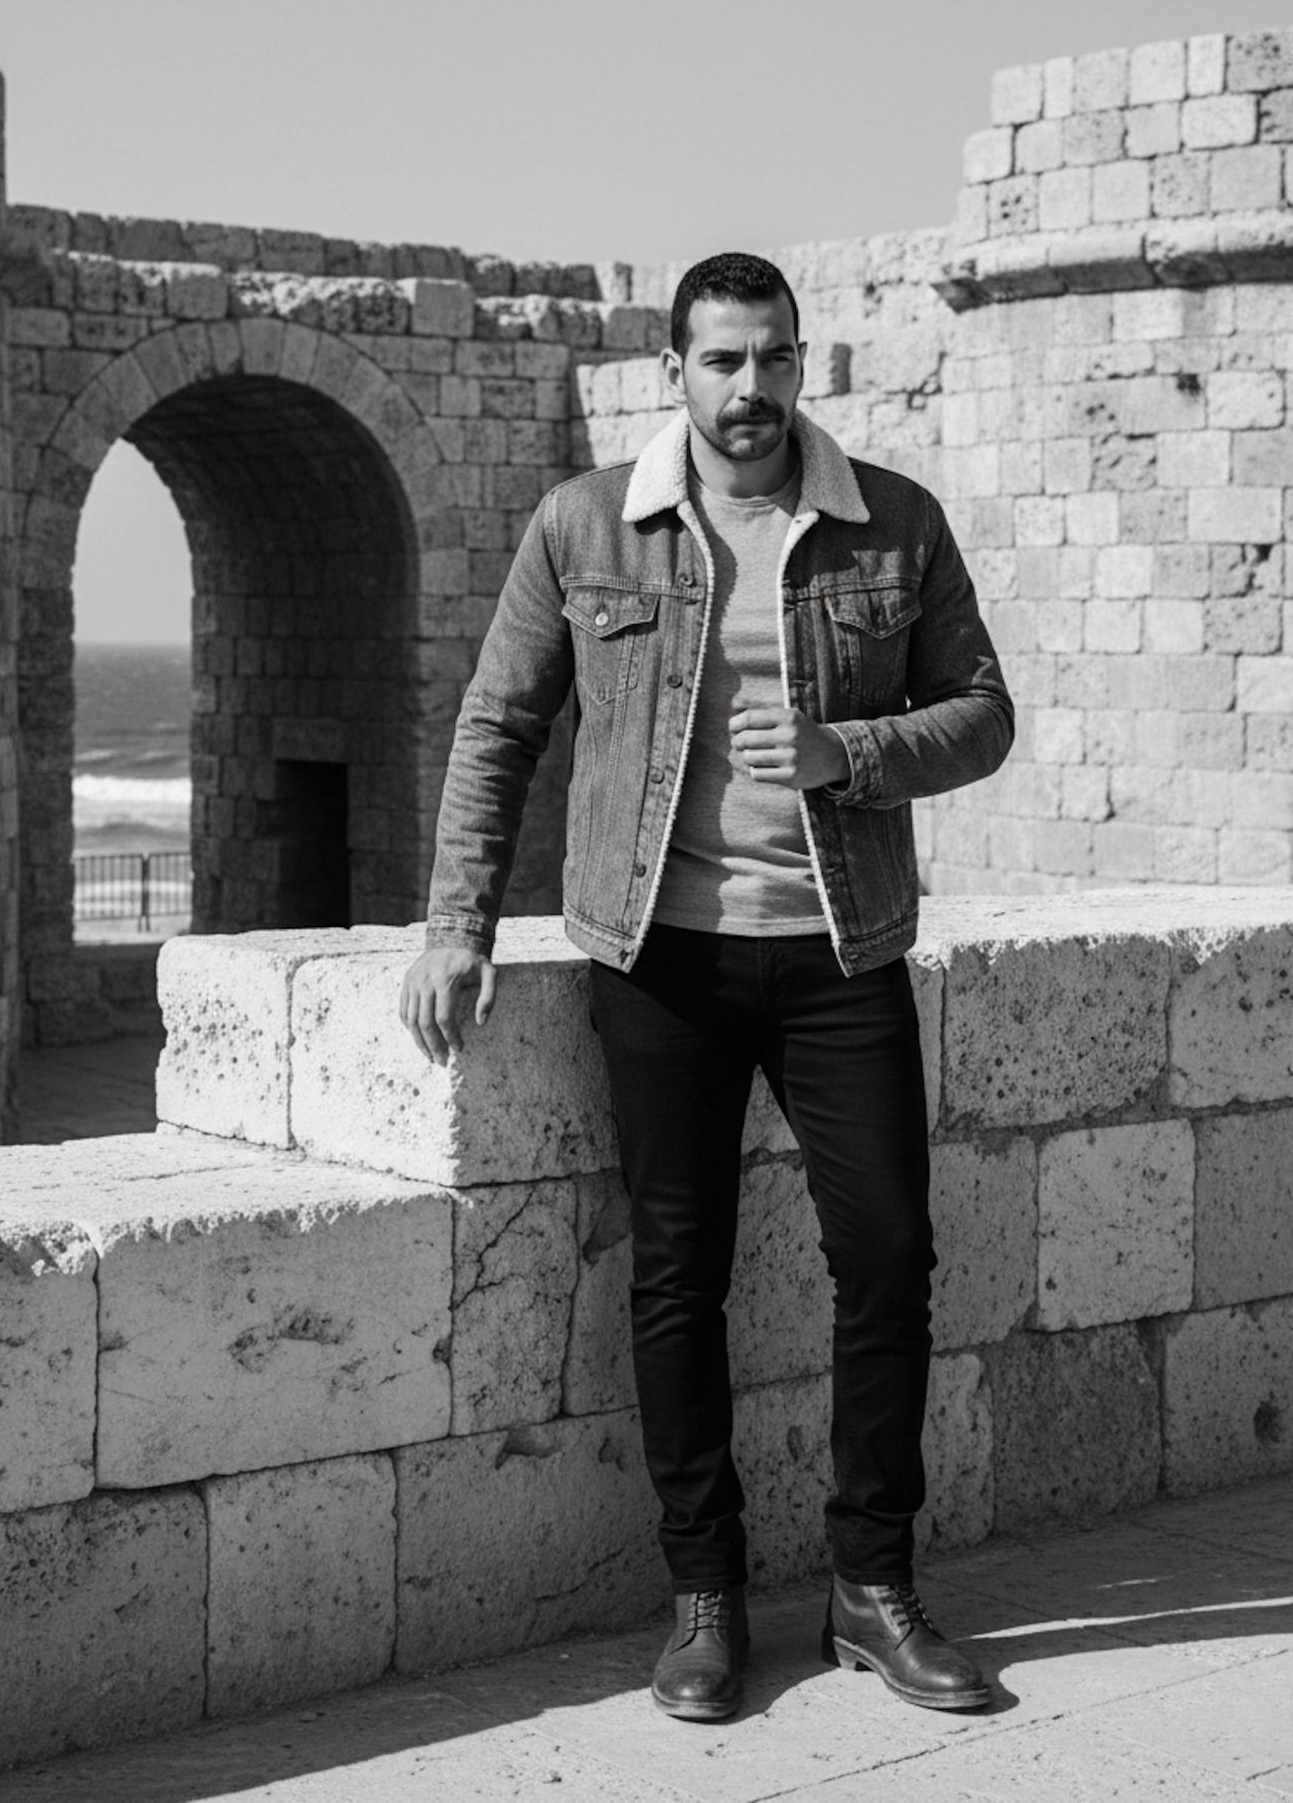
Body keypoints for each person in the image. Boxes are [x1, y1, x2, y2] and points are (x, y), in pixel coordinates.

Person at [400, 252, 1013, 1721]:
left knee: (890, 1259)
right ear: (673, 370)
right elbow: (498, 728)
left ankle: (871, 1588)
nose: (751, 391)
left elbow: (985, 716)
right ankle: (705, 1598)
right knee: (679, 1280)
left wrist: (848, 756)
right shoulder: (584, 524)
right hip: (656, 959)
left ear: (806, 366)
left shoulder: (895, 524)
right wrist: (453, 927)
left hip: (838, 950)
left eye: (775, 360)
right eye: (723, 362)